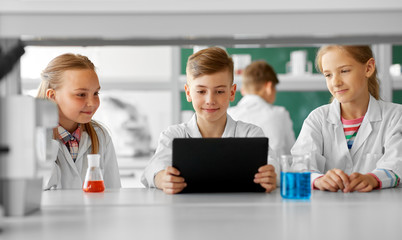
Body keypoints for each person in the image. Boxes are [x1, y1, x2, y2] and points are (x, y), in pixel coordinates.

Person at [141, 47, 278, 194]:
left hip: (239, 213)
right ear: (188, 93)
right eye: (201, 91)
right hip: (187, 214)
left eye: (219, 91)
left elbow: (272, 165)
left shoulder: (251, 134)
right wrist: (162, 178)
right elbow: (152, 170)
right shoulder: (173, 135)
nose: (210, 100)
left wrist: (271, 177)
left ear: (232, 93)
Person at [292, 45, 402, 193]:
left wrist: (372, 179)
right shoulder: (317, 119)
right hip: (329, 212)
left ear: (368, 68)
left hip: (379, 210)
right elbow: (299, 167)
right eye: (328, 75)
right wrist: (318, 180)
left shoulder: (395, 116)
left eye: (344, 71)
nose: (335, 82)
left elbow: (397, 165)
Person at [37, 53, 121, 190]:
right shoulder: (35, 136)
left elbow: (114, 192)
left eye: (96, 93)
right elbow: (42, 188)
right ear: (52, 96)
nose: (92, 103)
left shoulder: (100, 136)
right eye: (81, 95)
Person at [228, 60, 295, 155]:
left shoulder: (229, 114)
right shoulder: (280, 114)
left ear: (243, 90)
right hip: (273, 169)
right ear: (269, 87)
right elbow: (291, 154)